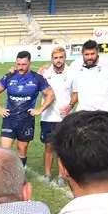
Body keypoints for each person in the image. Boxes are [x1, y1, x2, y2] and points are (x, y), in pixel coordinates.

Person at [0, 50, 54, 170]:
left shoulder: (37, 78)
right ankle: (6, 176)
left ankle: (19, 174)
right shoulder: (9, 76)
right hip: (9, 119)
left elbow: (51, 94)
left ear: (29, 63)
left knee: (22, 150)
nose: (20, 67)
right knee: (5, 151)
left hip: (26, 121)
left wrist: (40, 109)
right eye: (18, 64)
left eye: (24, 64)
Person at [38, 46, 72, 187]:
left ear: (65, 58)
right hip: (48, 117)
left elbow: (75, 93)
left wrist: (70, 105)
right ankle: (47, 174)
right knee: (48, 147)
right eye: (55, 58)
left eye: (61, 57)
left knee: (62, 148)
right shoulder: (44, 72)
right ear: (52, 59)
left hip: (64, 118)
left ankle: (60, 175)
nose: (58, 60)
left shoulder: (72, 72)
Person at [67, 40, 108, 114]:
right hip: (83, 112)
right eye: (87, 54)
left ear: (98, 51)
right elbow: (62, 69)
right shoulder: (75, 64)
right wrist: (47, 66)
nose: (89, 57)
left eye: (92, 54)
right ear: (82, 53)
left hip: (104, 113)